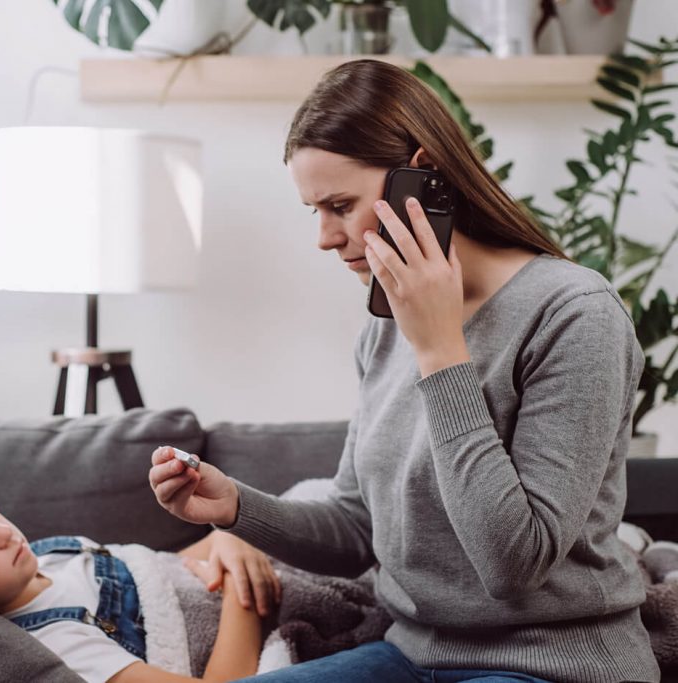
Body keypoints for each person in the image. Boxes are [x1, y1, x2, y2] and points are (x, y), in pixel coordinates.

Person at [148, 59, 660, 683]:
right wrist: (232, 507)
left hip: (550, 664)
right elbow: (356, 526)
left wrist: (441, 349)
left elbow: (512, 566)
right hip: (413, 654)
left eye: (340, 204)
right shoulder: (385, 326)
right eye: (315, 210)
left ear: (422, 178)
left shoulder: (574, 314)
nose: (326, 238)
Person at [0, 446, 280, 683]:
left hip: (242, 573)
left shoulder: (51, 555)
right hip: (256, 617)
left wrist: (231, 540)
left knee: (313, 508)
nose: (5, 535)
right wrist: (246, 594)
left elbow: (160, 570)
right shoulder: (56, 646)